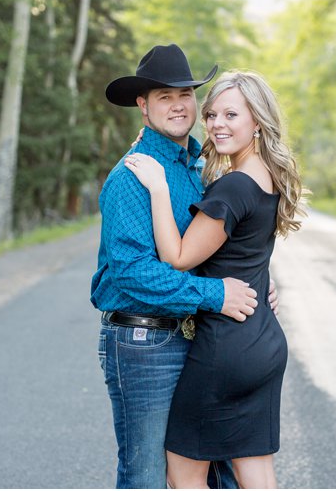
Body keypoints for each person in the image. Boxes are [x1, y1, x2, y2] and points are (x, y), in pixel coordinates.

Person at [123, 70, 305, 488]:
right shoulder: (265, 176)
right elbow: (246, 250)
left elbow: (179, 257)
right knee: (253, 469)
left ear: (256, 121)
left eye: (231, 114)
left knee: (184, 474)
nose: (218, 123)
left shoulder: (234, 187)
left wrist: (157, 187)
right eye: (211, 114)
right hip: (262, 341)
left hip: (225, 349)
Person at [92, 44, 260, 489]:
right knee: (146, 474)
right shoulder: (131, 176)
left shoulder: (201, 165)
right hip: (144, 343)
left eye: (185, 94)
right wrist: (217, 294)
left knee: (212, 467)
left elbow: (217, 240)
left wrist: (255, 282)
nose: (178, 104)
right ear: (143, 108)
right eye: (164, 96)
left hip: (200, 339)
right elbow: (131, 272)